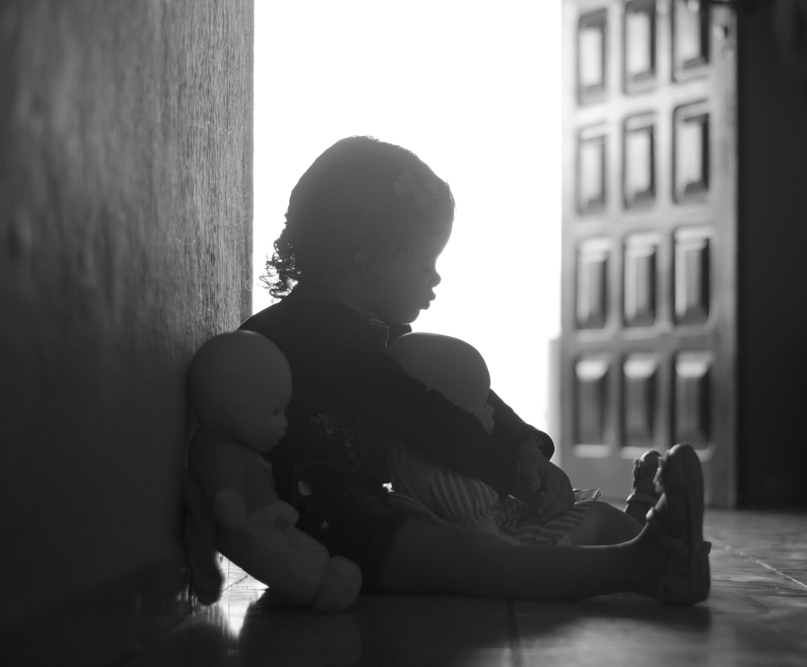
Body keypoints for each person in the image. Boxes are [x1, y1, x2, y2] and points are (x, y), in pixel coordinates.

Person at [240, 135, 710, 603]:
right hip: (319, 526)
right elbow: (423, 416)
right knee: (481, 557)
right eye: (425, 262)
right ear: (367, 259)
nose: (436, 276)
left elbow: (465, 394)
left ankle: (648, 535)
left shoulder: (374, 330)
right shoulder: (317, 333)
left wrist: (524, 445)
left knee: (542, 526)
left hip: (372, 507)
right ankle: (644, 564)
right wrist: (509, 472)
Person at [384, 331, 634, 546]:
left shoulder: (414, 458)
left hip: (512, 525)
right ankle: (649, 545)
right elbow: (490, 543)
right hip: (519, 543)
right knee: (599, 519)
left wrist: (527, 448)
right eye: (483, 403)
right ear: (452, 415)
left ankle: (641, 531)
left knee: (597, 514)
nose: (493, 410)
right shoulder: (447, 481)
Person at [186, 330, 362, 612]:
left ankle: (323, 574)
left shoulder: (234, 449)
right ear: (236, 408)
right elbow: (226, 501)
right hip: (250, 530)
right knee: (293, 568)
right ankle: (316, 586)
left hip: (266, 518)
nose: (284, 423)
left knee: (306, 553)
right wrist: (234, 512)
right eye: (276, 411)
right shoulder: (221, 455)